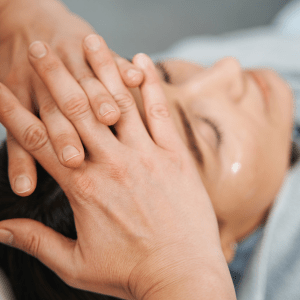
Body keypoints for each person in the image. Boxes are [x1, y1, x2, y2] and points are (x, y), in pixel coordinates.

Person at [0, 1, 300, 300]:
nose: (228, 68)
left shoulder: (141, 107)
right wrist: (181, 276)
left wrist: (20, 14)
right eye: (212, 133)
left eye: (164, 73)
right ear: (216, 249)